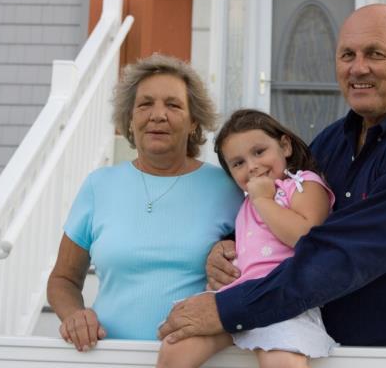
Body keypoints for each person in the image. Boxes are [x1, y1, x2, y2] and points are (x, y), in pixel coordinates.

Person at [158, 3, 386, 347]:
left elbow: (350, 252)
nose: (358, 68)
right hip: (310, 341)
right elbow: (281, 200)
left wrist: (229, 308)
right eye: (347, 55)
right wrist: (228, 245)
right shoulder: (332, 140)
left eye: (375, 54)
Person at [46, 54, 242, 351]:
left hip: (196, 360)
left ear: (193, 123)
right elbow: (63, 279)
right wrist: (74, 315)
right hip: (108, 356)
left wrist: (229, 247)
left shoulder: (227, 188)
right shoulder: (99, 186)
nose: (157, 115)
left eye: (173, 105)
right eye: (145, 104)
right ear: (130, 119)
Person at [156, 109, 336, 368]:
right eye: (238, 163)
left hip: (284, 302)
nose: (252, 166)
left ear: (284, 146)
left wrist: (263, 199)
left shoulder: (302, 184)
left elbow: (305, 237)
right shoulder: (247, 202)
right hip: (237, 298)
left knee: (282, 361)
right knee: (176, 347)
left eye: (259, 152)